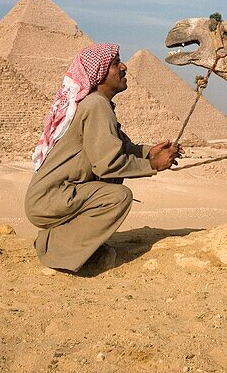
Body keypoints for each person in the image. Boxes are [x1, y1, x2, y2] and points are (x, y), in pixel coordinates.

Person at [24, 43, 180, 273]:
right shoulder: (96, 105)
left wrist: (149, 152)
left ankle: (64, 241)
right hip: (51, 197)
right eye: (116, 64)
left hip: (56, 195)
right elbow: (108, 163)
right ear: (99, 74)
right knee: (117, 196)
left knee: (112, 186)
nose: (124, 67)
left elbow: (119, 146)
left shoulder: (96, 104)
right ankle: (58, 250)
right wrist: (153, 165)